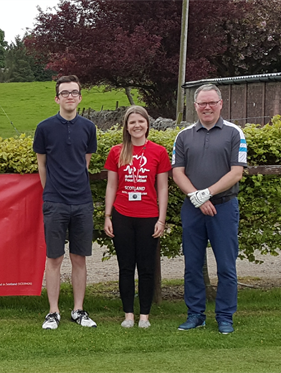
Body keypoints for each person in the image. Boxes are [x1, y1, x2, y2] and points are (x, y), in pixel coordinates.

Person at [172, 83, 247, 335]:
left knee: (226, 265)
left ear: (220, 104)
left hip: (224, 207)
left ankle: (225, 316)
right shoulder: (183, 136)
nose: (207, 107)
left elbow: (236, 172)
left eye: (211, 102)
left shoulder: (234, 133)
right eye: (202, 103)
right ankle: (195, 315)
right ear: (195, 106)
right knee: (192, 264)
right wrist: (196, 196)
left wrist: (208, 193)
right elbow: (177, 172)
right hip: (192, 208)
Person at [33, 75, 98, 329]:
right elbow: (42, 164)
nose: (70, 96)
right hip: (55, 201)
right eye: (65, 92)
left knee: (79, 258)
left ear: (80, 97)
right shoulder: (44, 128)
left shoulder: (88, 127)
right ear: (57, 98)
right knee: (54, 258)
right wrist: (51, 192)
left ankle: (79, 310)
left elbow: (85, 161)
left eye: (74, 92)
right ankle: (53, 312)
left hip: (82, 201)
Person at [103, 106, 170, 329]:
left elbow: (162, 188)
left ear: (147, 124)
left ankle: (145, 316)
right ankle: (128, 315)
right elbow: (112, 185)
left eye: (141, 121)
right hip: (122, 215)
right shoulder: (116, 152)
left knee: (147, 268)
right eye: (132, 122)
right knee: (125, 267)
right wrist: (107, 216)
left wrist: (161, 219)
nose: (137, 126)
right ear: (127, 127)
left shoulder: (159, 152)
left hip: (149, 216)